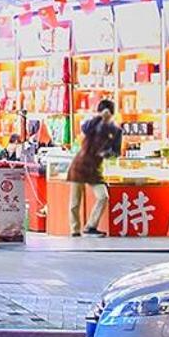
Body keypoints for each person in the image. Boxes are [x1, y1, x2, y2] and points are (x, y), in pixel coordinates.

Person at [67, 99, 122, 237]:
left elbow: (116, 152)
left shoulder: (116, 131)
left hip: (95, 168)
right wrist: (98, 117)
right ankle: (74, 230)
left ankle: (91, 226)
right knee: (75, 201)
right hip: (80, 165)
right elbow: (85, 128)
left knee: (103, 196)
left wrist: (107, 153)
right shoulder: (92, 125)